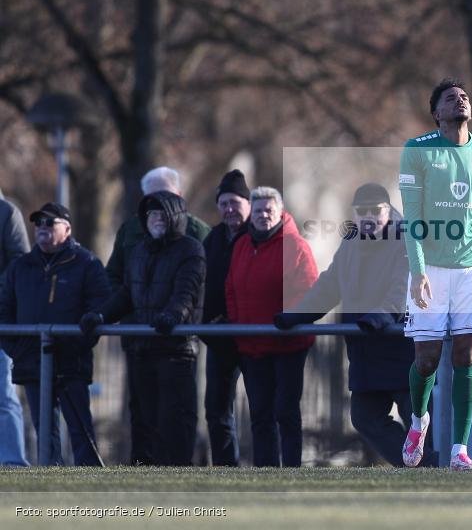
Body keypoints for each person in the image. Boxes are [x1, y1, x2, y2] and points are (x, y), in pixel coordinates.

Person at [399, 78, 472, 471]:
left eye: (464, 95)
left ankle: (459, 451)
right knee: (428, 359)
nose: (460, 99)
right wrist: (417, 271)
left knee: (466, 357)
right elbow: (412, 217)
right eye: (450, 98)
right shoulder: (417, 151)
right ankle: (419, 422)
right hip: (430, 267)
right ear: (437, 113)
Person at [275, 183, 436, 467]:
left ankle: (430, 471)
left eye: (376, 210)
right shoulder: (350, 242)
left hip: (405, 351)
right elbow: (329, 285)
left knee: (421, 424)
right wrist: (298, 315)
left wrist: (380, 317)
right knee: (364, 418)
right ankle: (420, 467)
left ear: (388, 211)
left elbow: (403, 289)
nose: (370, 217)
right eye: (363, 212)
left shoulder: (407, 240)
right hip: (365, 351)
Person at [81, 190, 205, 466]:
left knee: (174, 419)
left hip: (175, 350)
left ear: (175, 216)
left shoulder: (190, 249)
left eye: (163, 213)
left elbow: (187, 293)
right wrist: (100, 315)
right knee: (143, 419)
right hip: (141, 348)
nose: (157, 219)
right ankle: (143, 474)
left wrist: (172, 317)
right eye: (152, 214)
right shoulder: (138, 252)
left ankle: (177, 476)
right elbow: (126, 295)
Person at [0, 203, 110, 466]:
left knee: (80, 429)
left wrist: (80, 343)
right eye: (38, 223)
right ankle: (52, 482)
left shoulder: (86, 263)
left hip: (71, 361)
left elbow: (101, 305)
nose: (42, 228)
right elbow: (3, 308)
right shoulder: (21, 267)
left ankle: (91, 480)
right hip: (32, 359)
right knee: (44, 431)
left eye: (50, 223)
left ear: (67, 229)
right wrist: (18, 347)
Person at [227, 187, 317, 467]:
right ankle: (265, 470)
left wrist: (289, 319)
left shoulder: (296, 246)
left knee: (286, 411)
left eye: (269, 210)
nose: (263, 215)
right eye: (258, 211)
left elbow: (310, 291)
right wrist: (238, 322)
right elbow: (231, 287)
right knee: (259, 414)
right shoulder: (242, 244)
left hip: (287, 345)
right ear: (250, 215)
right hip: (252, 345)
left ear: (280, 211)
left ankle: (291, 468)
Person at [202, 170, 251, 466]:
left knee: (263, 409)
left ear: (247, 203)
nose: (229, 209)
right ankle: (226, 467)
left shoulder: (257, 236)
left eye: (234, 202)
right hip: (220, 339)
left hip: (255, 336)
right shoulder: (213, 239)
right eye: (224, 204)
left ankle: (270, 466)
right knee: (217, 409)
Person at [0, 189, 31, 467]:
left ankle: (12, 461)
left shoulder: (7, 213)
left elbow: (19, 264)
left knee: (3, 395)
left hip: (1, 322)